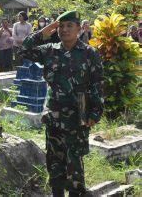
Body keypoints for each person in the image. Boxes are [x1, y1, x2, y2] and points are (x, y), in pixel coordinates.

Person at [19, 11, 103, 197]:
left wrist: (95, 112)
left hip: (77, 115)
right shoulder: (49, 50)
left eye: (69, 26)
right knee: (54, 161)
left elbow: (97, 84)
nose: (64, 30)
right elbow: (24, 50)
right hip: (54, 114)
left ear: (79, 29)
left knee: (74, 164)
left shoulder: (89, 54)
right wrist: (43, 32)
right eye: (61, 26)